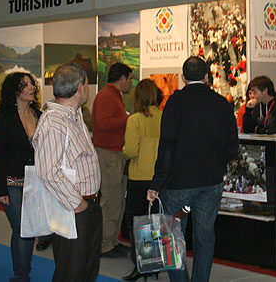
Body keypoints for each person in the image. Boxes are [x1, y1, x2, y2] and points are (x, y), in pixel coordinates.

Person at [147, 57, 239, 282]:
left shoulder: (174, 103)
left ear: (183, 77)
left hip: (178, 183)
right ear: (207, 76)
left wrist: (156, 183)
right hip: (210, 181)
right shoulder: (221, 103)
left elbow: (166, 147)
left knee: (172, 237)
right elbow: (232, 146)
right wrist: (217, 161)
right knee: (204, 237)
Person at [33, 63, 102, 281]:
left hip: (88, 205)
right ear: (80, 87)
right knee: (71, 272)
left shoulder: (74, 115)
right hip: (72, 209)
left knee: (87, 269)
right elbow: (47, 171)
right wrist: (77, 203)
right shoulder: (54, 121)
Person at [0, 72, 41, 282]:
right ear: (15, 90)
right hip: (12, 183)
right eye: (25, 85)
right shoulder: (5, 117)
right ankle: (22, 274)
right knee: (21, 228)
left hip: (36, 183)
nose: (32, 88)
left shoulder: (39, 115)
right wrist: (0, 189)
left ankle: (23, 270)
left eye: (32, 84)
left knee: (30, 228)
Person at [122, 79, 163, 281]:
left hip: (139, 177)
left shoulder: (135, 119)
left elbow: (130, 150)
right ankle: (154, 263)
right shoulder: (164, 117)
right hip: (160, 178)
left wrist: (124, 152)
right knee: (155, 222)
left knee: (137, 222)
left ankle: (141, 265)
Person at [91, 62, 132, 258]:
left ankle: (112, 240)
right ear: (122, 78)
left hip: (115, 154)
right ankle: (106, 244)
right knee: (111, 202)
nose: (130, 82)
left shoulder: (114, 95)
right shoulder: (107, 96)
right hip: (109, 155)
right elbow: (103, 123)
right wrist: (128, 119)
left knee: (118, 201)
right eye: (129, 79)